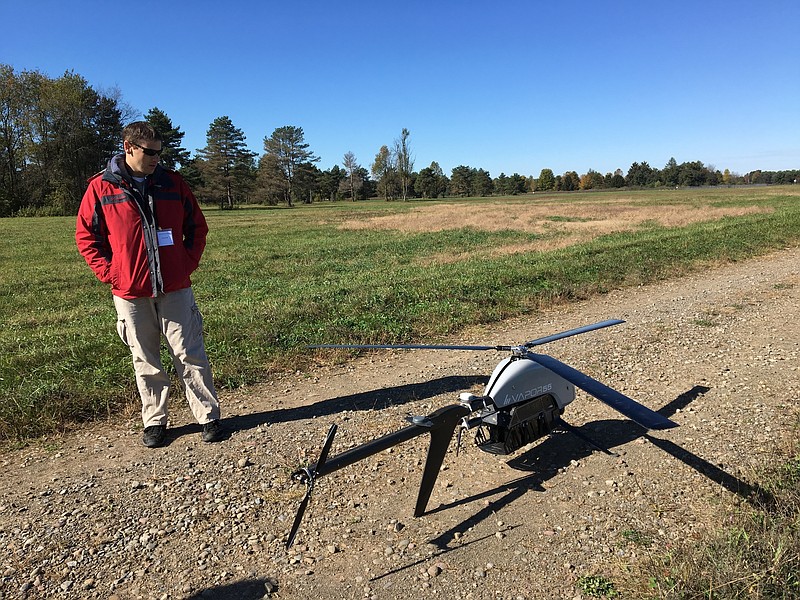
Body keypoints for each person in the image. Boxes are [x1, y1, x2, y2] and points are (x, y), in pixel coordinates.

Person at [76, 121, 223, 448]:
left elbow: (197, 228)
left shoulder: (173, 183)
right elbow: (87, 238)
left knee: (190, 353)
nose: (157, 158)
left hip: (175, 287)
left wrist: (187, 263)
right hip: (130, 292)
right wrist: (111, 273)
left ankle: (208, 417)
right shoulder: (101, 188)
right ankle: (155, 422)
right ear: (128, 147)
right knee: (145, 358)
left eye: (160, 152)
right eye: (150, 152)